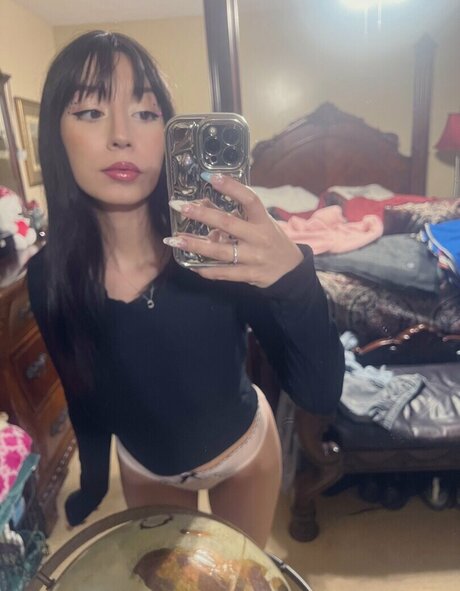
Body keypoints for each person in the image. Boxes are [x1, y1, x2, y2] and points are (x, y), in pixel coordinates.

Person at [27, 30, 344, 548]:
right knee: (166, 579)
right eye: (89, 111)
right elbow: (83, 394)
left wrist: (295, 279)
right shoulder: (49, 276)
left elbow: (319, 392)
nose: (121, 136)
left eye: (145, 113)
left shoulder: (220, 247)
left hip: (244, 456)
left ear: (169, 135)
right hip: (146, 468)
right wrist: (93, 482)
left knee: (237, 577)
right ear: (56, 136)